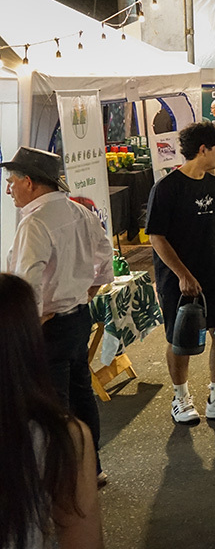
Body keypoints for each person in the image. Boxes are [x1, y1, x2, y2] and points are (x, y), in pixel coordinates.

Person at [3, 146, 113, 483]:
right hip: (77, 317)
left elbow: (28, 283)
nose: (8, 189)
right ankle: (90, 469)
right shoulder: (79, 211)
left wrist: (29, 325)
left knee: (53, 405)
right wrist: (87, 291)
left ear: (30, 182)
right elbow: (104, 256)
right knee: (81, 396)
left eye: (11, 181)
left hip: (50, 325)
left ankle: (63, 479)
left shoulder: (35, 223)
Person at [146, 122, 215, 424]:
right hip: (177, 280)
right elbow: (156, 237)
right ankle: (180, 399)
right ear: (203, 149)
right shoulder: (166, 188)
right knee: (179, 338)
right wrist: (182, 274)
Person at [0, 274, 104, 549]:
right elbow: (83, 541)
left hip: (68, 322)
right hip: (75, 318)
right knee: (80, 391)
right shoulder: (58, 437)